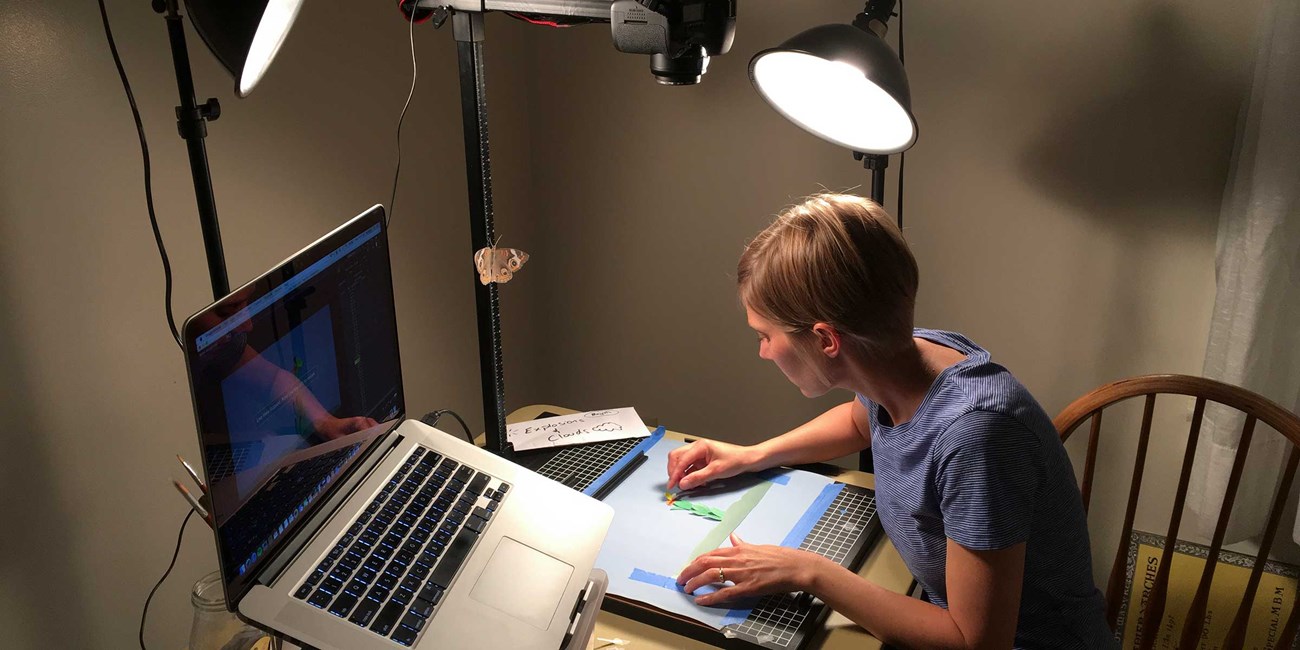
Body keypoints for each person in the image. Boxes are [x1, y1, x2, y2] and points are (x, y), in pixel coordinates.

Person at [667, 194, 1115, 648]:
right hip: (937, 601)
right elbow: (861, 420)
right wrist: (750, 456)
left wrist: (808, 571)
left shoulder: (977, 436)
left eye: (765, 336)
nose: (763, 351)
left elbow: (974, 642)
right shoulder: (901, 355)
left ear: (825, 339)